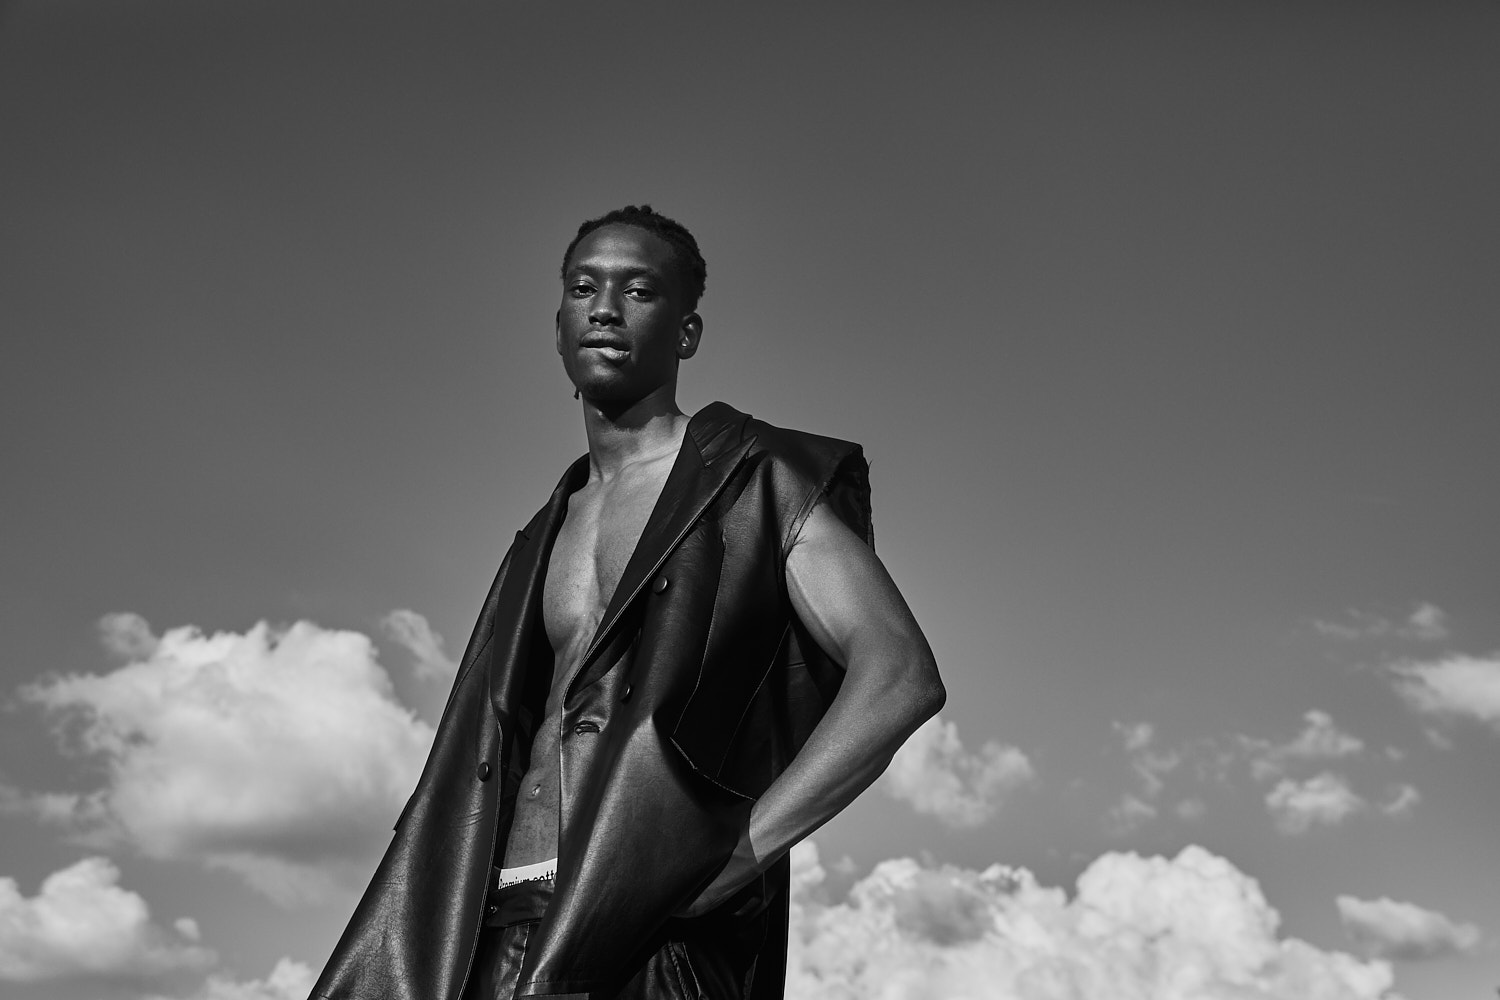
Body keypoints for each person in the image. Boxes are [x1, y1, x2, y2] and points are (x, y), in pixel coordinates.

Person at [310, 205, 945, 1000]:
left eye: (638, 290)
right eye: (584, 288)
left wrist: (740, 854)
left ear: (687, 332)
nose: (604, 308)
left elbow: (900, 676)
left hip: (648, 930)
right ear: (559, 324)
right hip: (492, 925)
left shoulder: (754, 477)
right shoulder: (546, 529)